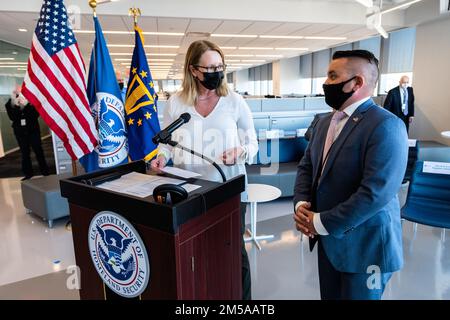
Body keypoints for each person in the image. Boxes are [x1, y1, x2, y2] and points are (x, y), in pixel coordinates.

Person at [293, 50, 408, 300]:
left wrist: (321, 222)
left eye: (333, 76)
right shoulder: (324, 122)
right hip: (328, 242)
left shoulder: (386, 125)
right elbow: (308, 166)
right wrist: (302, 205)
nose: (326, 82)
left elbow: (375, 193)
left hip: (366, 247)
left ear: (357, 83)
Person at [150, 40, 258, 300]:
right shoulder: (176, 103)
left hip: (229, 190)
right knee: (196, 251)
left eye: (220, 66)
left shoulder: (234, 101)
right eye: (209, 67)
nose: (216, 72)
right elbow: (165, 143)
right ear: (193, 70)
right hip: (191, 192)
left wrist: (240, 152)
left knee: (233, 253)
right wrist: (161, 158)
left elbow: (253, 143)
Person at [5, 86, 49, 180]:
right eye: (17, 92)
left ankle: (45, 171)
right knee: (25, 153)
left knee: (38, 150)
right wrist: (15, 105)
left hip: (33, 130)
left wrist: (26, 105)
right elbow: (12, 117)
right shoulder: (10, 104)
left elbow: (35, 115)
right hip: (20, 132)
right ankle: (28, 173)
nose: (19, 95)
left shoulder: (32, 101)